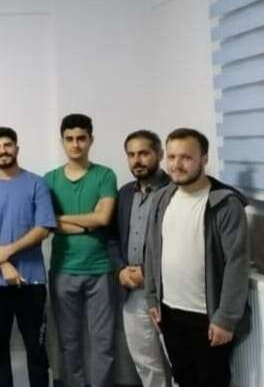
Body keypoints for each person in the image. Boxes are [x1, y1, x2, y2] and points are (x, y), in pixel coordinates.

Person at [145, 128, 250, 387]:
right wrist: (152, 297)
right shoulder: (162, 198)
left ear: (204, 159)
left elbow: (237, 263)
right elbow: (152, 250)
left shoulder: (225, 204)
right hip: (169, 312)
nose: (176, 165)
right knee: (184, 379)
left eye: (186, 157)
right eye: (171, 157)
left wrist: (226, 317)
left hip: (208, 316)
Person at [0, 127, 56, 387]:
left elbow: (43, 227)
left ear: (16, 148)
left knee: (36, 348)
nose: (3, 151)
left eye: (8, 145)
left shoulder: (37, 183)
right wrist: (4, 265)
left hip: (31, 280)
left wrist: (6, 252)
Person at [43, 113, 117, 387]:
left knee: (103, 341)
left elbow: (104, 218)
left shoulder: (105, 175)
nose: (76, 144)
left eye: (81, 138)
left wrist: (64, 219)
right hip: (63, 269)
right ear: (62, 141)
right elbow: (48, 223)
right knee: (69, 341)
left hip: (100, 269)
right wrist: (89, 224)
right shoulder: (49, 179)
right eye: (70, 139)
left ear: (91, 140)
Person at [109, 130, 171, 387]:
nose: (137, 160)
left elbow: (180, 246)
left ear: (159, 154)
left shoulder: (175, 191)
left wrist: (149, 271)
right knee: (146, 362)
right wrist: (120, 269)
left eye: (144, 153)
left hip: (168, 292)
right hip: (133, 291)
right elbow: (113, 238)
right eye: (131, 154)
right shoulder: (124, 194)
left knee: (179, 361)